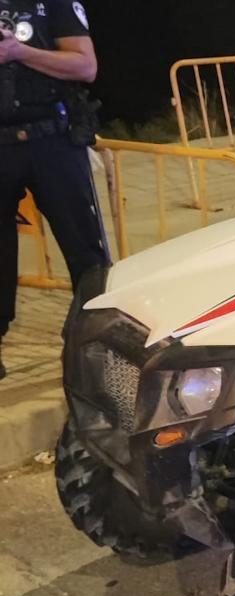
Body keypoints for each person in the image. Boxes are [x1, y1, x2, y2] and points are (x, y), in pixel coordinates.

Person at [0, 0, 106, 380]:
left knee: (86, 255)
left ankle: (96, 347)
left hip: (53, 140)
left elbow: (85, 66)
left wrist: (17, 52)